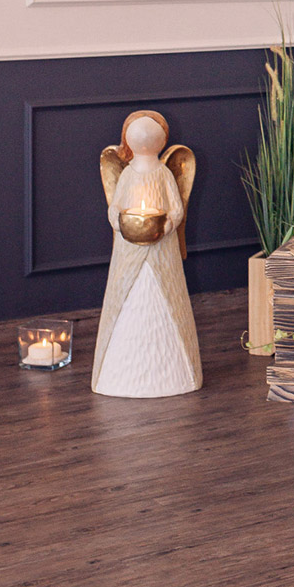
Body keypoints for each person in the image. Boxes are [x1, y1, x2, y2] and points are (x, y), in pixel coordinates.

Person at [92, 111, 202, 398]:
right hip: (128, 251)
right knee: (126, 296)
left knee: (165, 297)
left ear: (163, 139)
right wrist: (121, 223)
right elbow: (115, 207)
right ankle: (118, 371)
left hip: (162, 250)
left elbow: (176, 208)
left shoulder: (164, 174)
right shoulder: (127, 174)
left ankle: (177, 372)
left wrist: (166, 225)